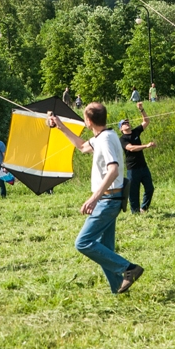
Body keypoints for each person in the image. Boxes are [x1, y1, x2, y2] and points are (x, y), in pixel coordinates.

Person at [50, 102, 144, 294]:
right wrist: (60, 127)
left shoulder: (106, 140)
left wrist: (94, 198)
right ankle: (117, 286)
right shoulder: (102, 136)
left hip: (109, 199)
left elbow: (113, 169)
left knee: (83, 242)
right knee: (104, 248)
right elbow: (83, 146)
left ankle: (129, 269)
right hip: (109, 199)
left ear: (89, 121)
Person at [119, 102, 156, 214]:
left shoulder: (135, 132)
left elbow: (146, 121)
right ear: (121, 128)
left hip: (143, 167)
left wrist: (141, 109)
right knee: (133, 192)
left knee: (150, 188)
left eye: (127, 121)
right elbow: (131, 148)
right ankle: (135, 212)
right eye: (124, 123)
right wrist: (146, 146)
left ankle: (143, 208)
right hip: (132, 169)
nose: (127, 123)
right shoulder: (122, 139)